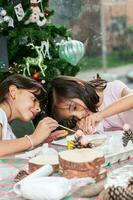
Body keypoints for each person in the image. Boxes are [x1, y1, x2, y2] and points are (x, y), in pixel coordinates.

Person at [0, 74, 65, 157]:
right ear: (13, 92)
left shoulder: (6, 125)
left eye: (39, 105)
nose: (38, 109)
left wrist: (40, 141)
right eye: (34, 99)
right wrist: (33, 139)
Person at [47, 75, 133, 134]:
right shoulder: (87, 117)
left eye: (74, 107)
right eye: (73, 117)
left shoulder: (113, 89)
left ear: (79, 86)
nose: (79, 116)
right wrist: (79, 130)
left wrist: (101, 115)